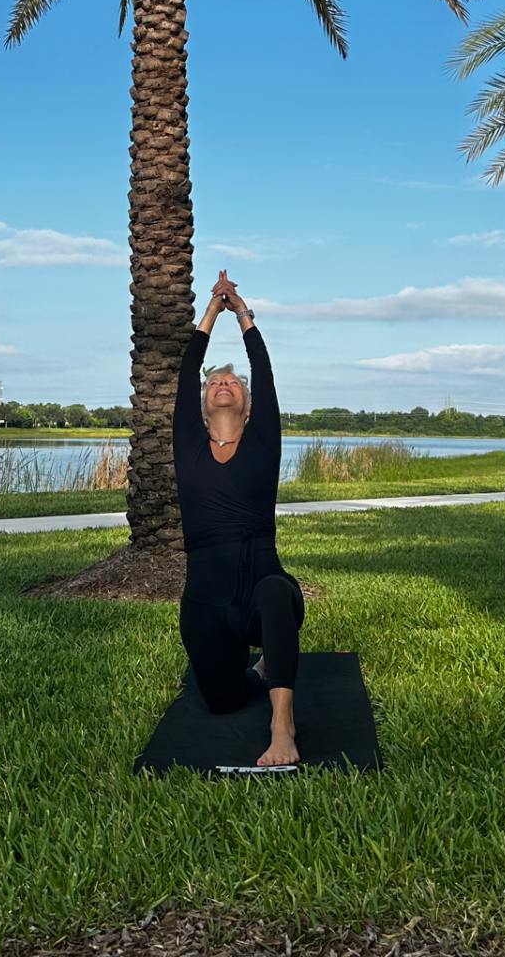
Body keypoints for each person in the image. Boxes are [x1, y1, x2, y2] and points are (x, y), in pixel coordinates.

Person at [174, 270, 303, 767]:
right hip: (205, 601)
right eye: (216, 382)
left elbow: (263, 372)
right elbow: (187, 372)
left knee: (275, 592)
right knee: (222, 699)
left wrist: (241, 312)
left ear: (248, 406)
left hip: (261, 588)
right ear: (204, 407)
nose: (223, 383)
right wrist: (209, 312)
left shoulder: (263, 441)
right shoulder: (188, 446)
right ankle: (265, 668)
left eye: (232, 382)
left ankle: (282, 726)